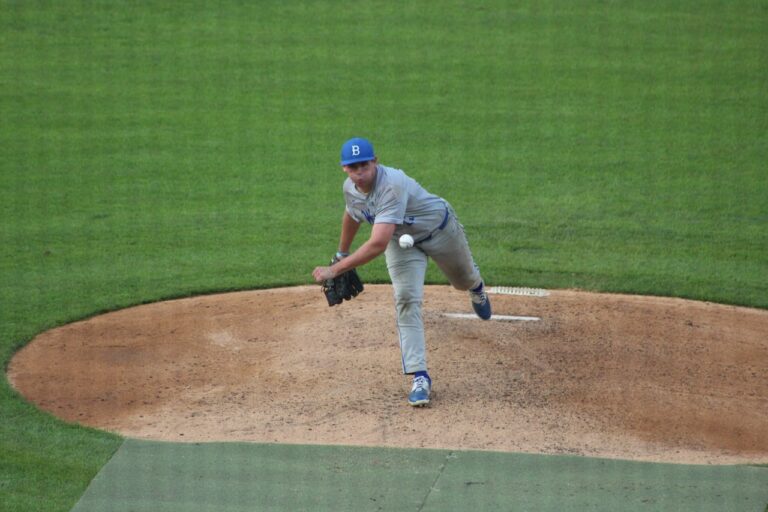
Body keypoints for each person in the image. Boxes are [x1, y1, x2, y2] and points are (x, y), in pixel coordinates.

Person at [312, 137, 491, 406]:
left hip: (439, 231)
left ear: (375, 161)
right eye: (353, 167)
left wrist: (334, 270)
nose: (359, 172)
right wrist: (342, 253)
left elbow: (376, 243)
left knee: (462, 280)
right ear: (344, 169)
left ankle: (476, 287)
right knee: (406, 299)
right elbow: (352, 214)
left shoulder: (391, 186)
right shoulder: (350, 188)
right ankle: (420, 376)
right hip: (401, 244)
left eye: (364, 165)